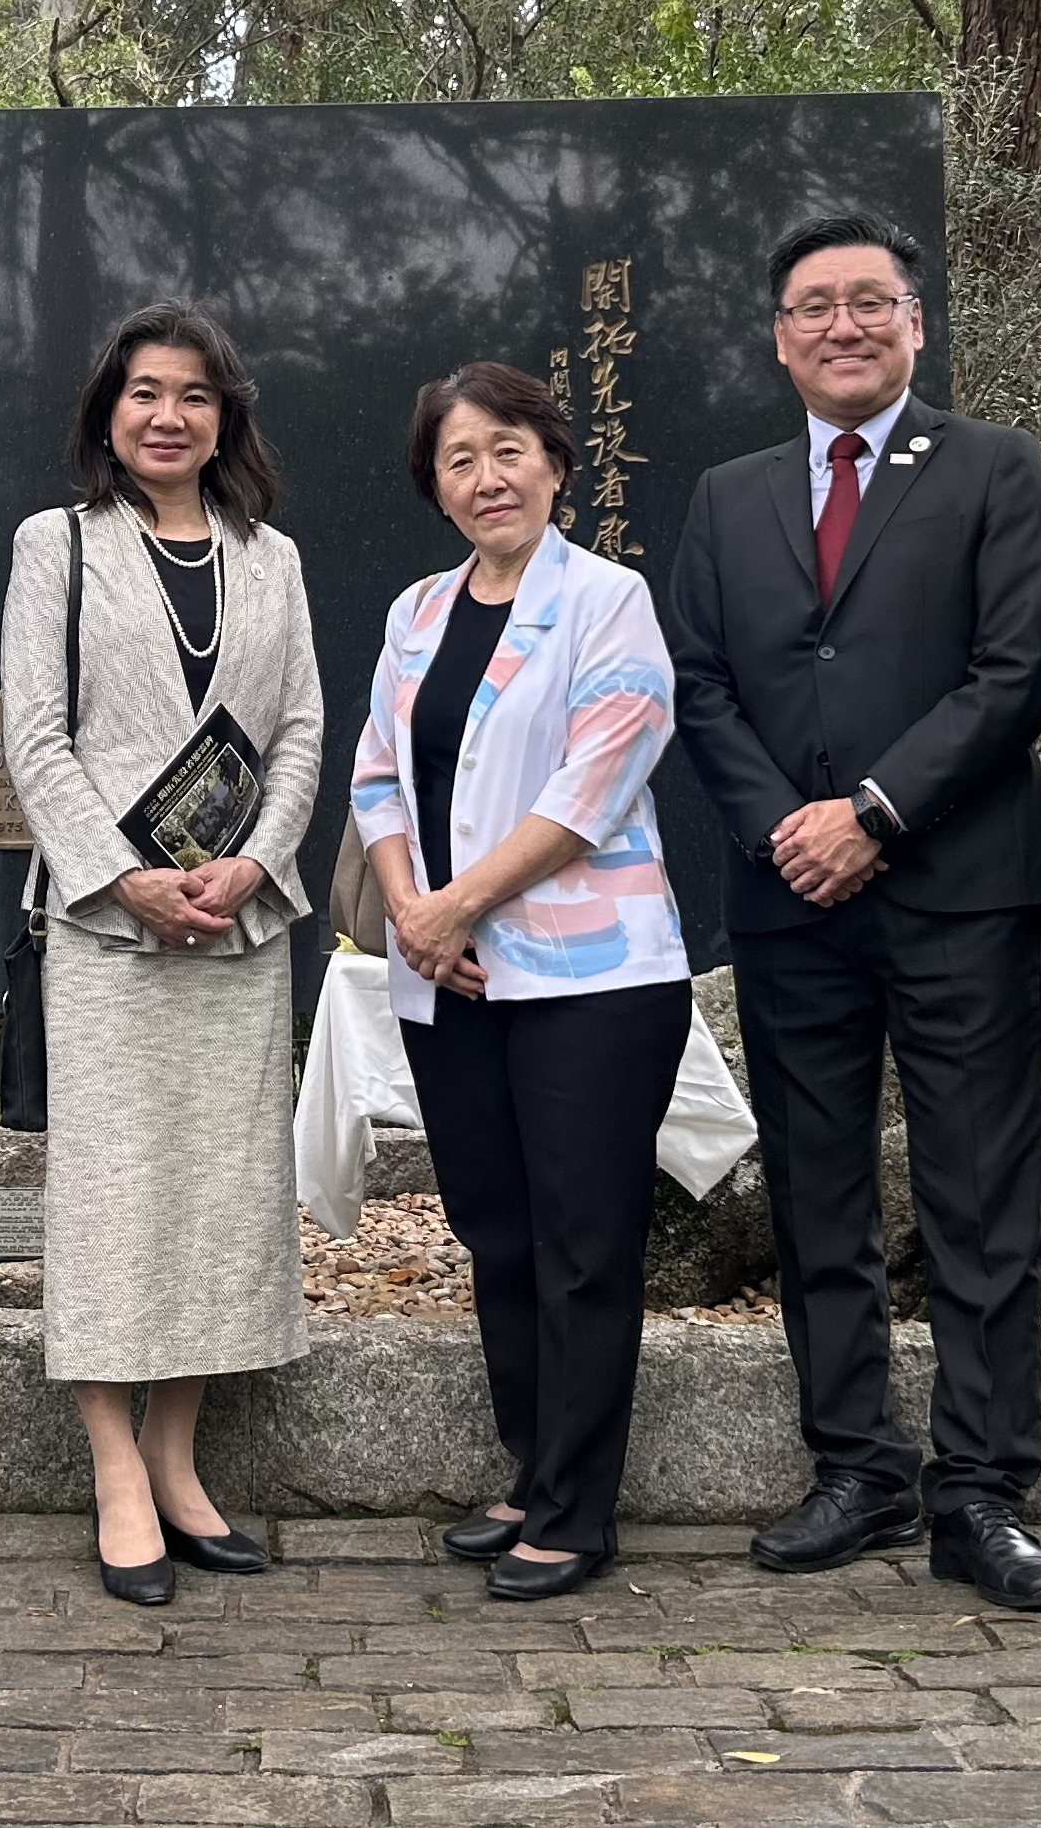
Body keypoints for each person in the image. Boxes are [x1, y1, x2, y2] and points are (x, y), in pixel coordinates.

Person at [664, 212, 1041, 1612]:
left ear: (914, 322)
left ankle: (979, 1487)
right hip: (792, 899)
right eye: (810, 307)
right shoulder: (727, 496)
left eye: (867, 302)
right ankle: (854, 1463)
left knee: (976, 1199)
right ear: (778, 336)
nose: (839, 325)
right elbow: (702, 682)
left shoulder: (992, 470)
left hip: (959, 885)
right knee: (817, 1191)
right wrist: (793, 831)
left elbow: (1013, 672)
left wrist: (874, 813)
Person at [347, 362, 692, 1603]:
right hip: (448, 972)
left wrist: (455, 904)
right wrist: (409, 910)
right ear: (434, 488)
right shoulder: (417, 610)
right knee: (495, 1228)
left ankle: (579, 1506)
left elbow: (590, 788)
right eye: (457, 458)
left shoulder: (611, 602)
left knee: (584, 1238)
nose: (486, 476)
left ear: (554, 461)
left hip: (589, 977)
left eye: (508, 449)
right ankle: (529, 1461)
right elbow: (377, 775)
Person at [0, 303, 324, 1606]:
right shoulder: (56, 546)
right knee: (113, 1193)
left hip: (234, 928)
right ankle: (111, 1471)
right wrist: (124, 875)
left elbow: (299, 725)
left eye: (192, 393)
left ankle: (178, 1457)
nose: (167, 414)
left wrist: (252, 862)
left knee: (214, 1192)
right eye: (143, 391)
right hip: (106, 931)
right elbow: (34, 731)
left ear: (223, 414)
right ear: (107, 409)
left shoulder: (273, 559)